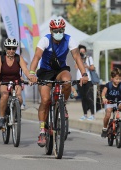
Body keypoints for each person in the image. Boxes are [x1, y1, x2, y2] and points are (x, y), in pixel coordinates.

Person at [28, 17, 88, 147]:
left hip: (61, 70)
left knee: (67, 80)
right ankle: (42, 131)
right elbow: (36, 57)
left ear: (64, 30)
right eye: (55, 30)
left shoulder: (69, 39)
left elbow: (77, 57)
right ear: (51, 30)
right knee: (45, 100)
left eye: (61, 30)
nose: (58, 32)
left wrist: (84, 74)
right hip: (45, 71)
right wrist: (32, 73)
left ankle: (62, 105)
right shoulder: (45, 40)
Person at [0, 37, 30, 129]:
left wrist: (30, 78)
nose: (11, 50)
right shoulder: (0, 58)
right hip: (3, 82)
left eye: (14, 48)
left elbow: (25, 70)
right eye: (9, 48)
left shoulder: (18, 58)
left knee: (19, 99)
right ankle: (2, 118)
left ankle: (16, 112)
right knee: (5, 96)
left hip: (16, 81)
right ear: (5, 48)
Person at [76, 44, 95, 121]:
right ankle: (85, 114)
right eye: (81, 52)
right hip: (79, 79)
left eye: (83, 52)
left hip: (88, 80)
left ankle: (93, 114)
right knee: (83, 97)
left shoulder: (89, 58)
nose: (82, 53)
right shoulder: (77, 58)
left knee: (89, 97)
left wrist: (86, 65)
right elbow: (76, 67)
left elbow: (92, 67)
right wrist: (80, 60)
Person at [101, 68, 121, 138]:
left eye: (119, 79)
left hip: (118, 102)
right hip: (109, 102)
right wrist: (104, 98)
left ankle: (118, 123)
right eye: (116, 79)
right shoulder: (108, 85)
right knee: (108, 114)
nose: (118, 81)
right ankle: (105, 128)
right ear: (112, 78)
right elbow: (103, 92)